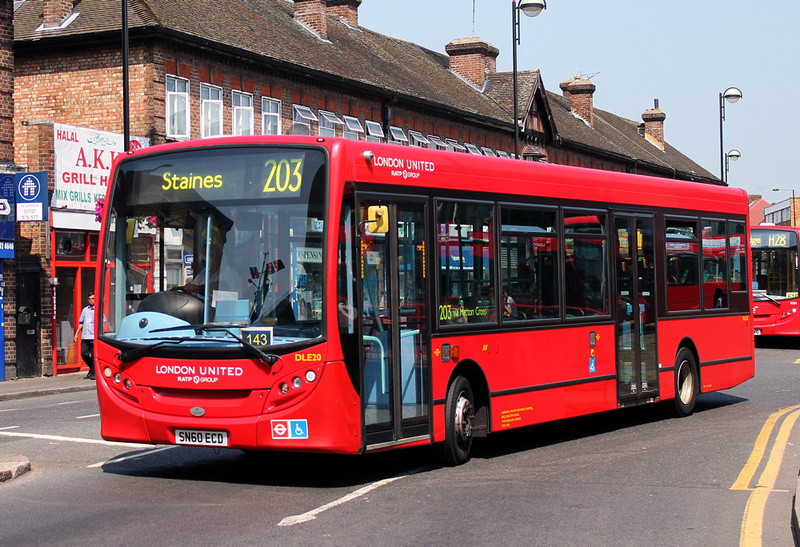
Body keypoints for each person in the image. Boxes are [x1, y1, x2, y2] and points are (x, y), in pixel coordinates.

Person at [74, 292, 97, 380]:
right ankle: (91, 368)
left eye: (93, 298)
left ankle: (94, 373)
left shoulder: (97, 309)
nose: (91, 300)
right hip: (85, 336)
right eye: (89, 299)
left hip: (94, 336)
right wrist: (76, 334)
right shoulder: (85, 310)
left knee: (94, 355)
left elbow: (103, 321)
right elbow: (81, 322)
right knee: (84, 353)